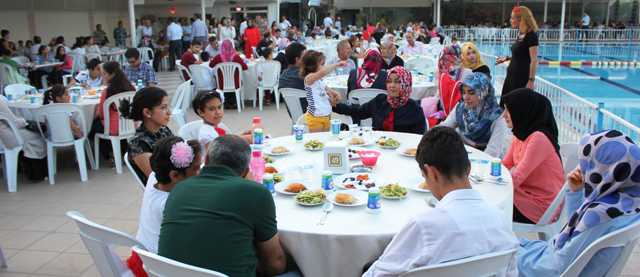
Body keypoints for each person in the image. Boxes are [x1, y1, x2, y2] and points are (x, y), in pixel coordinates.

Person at [363, 126, 518, 276]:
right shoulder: (500, 219)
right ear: (469, 168)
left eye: (425, 177)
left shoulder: (424, 226)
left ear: (432, 173)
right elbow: (511, 272)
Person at [159, 134, 290, 277]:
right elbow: (275, 265)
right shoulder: (255, 192)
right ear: (246, 171)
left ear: (206, 160)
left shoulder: (179, 188)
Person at [517, 129, 640, 276]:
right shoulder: (626, 202)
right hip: (565, 261)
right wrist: (574, 191)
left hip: (550, 268)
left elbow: (555, 269)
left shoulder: (599, 215)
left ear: (601, 169)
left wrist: (513, 256)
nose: (582, 168)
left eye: (587, 163)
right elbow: (575, 234)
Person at [126, 137, 202, 277]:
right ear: (174, 175)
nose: (200, 173)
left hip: (141, 256)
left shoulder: (154, 177)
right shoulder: (173, 206)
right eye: (196, 169)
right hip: (157, 270)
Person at [501, 88, 564, 224]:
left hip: (542, 206)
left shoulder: (539, 138)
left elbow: (517, 177)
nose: (503, 115)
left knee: (490, 207)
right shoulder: (521, 134)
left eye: (508, 110)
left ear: (522, 111)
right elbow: (504, 165)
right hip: (525, 195)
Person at [332, 66, 425, 134]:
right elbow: (357, 111)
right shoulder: (380, 101)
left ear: (406, 84)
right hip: (378, 148)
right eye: (389, 81)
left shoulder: (414, 109)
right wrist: (334, 105)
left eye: (397, 82)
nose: (392, 85)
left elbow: (418, 138)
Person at [440, 72, 507, 158]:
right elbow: (445, 127)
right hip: (460, 152)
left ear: (483, 92)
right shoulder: (461, 107)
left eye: (471, 93)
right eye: (463, 92)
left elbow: (492, 152)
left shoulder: (497, 116)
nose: (465, 97)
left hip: (483, 157)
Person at [120, 87, 173, 184]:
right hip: (163, 191)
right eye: (163, 108)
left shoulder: (164, 130)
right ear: (147, 112)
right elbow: (158, 179)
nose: (169, 112)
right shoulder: (138, 143)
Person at [90, 61, 135, 159]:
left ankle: (109, 155)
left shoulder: (107, 91)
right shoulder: (130, 87)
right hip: (130, 124)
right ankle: (122, 150)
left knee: (92, 127)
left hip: (113, 128)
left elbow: (101, 114)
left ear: (112, 74)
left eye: (105, 74)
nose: (103, 76)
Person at [497, 6, 539, 102]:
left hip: (520, 78)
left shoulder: (531, 36)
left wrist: (531, 81)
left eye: (512, 18)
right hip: (511, 76)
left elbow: (534, 60)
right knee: (506, 105)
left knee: (515, 107)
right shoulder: (521, 34)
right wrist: (507, 59)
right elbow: (521, 55)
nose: (510, 20)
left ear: (521, 19)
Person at [0, 96, 47, 181]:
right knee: (40, 134)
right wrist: (25, 121)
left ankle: (31, 167)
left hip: (3, 137)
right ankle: (38, 170)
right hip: (9, 136)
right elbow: (15, 122)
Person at [301, 50, 345, 132]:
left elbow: (328, 91)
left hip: (326, 115)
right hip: (315, 117)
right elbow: (323, 72)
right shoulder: (309, 78)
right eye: (322, 64)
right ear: (312, 66)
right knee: (318, 141)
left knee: (325, 140)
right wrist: (336, 65)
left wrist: (335, 95)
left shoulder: (320, 80)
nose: (324, 67)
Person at [209, 39, 248, 108]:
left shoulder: (218, 57)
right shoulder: (236, 57)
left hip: (221, 83)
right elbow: (245, 67)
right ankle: (234, 103)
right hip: (235, 83)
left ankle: (226, 103)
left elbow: (211, 65)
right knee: (238, 81)